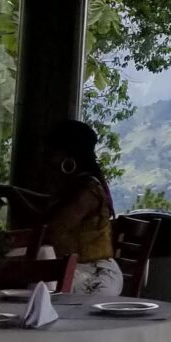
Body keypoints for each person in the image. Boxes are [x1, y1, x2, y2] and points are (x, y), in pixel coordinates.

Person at [39, 120, 124, 296]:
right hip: (80, 270)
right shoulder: (78, 185)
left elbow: (50, 231)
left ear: (68, 155)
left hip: (94, 274)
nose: (47, 157)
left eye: (53, 150)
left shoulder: (86, 192)